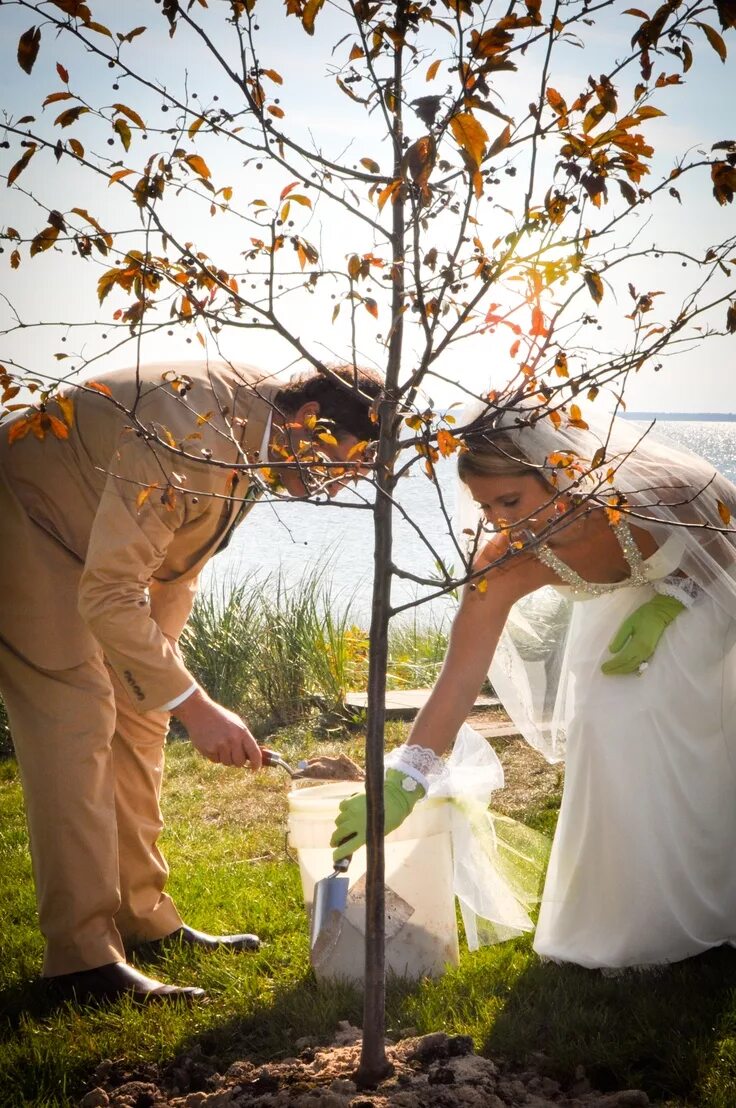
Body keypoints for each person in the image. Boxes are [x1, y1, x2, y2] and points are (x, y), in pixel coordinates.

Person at [0, 358, 381, 1003]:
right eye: (348, 464)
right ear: (312, 421)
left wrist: (166, 687)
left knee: (139, 712)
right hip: (23, 517)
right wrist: (198, 707)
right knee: (79, 715)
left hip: (93, 543)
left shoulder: (264, 432)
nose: (341, 485)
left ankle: (143, 918)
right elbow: (112, 592)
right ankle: (82, 960)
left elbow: (175, 563)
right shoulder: (189, 436)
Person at [332, 394, 736, 971]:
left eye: (512, 499)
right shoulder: (504, 560)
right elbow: (461, 672)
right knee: (602, 721)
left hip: (712, 586)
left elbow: (725, 533)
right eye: (486, 505)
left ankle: (715, 897)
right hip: (626, 605)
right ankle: (631, 920)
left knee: (669, 714)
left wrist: (674, 599)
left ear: (561, 472)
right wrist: (405, 777)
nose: (501, 520)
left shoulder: (658, 491)